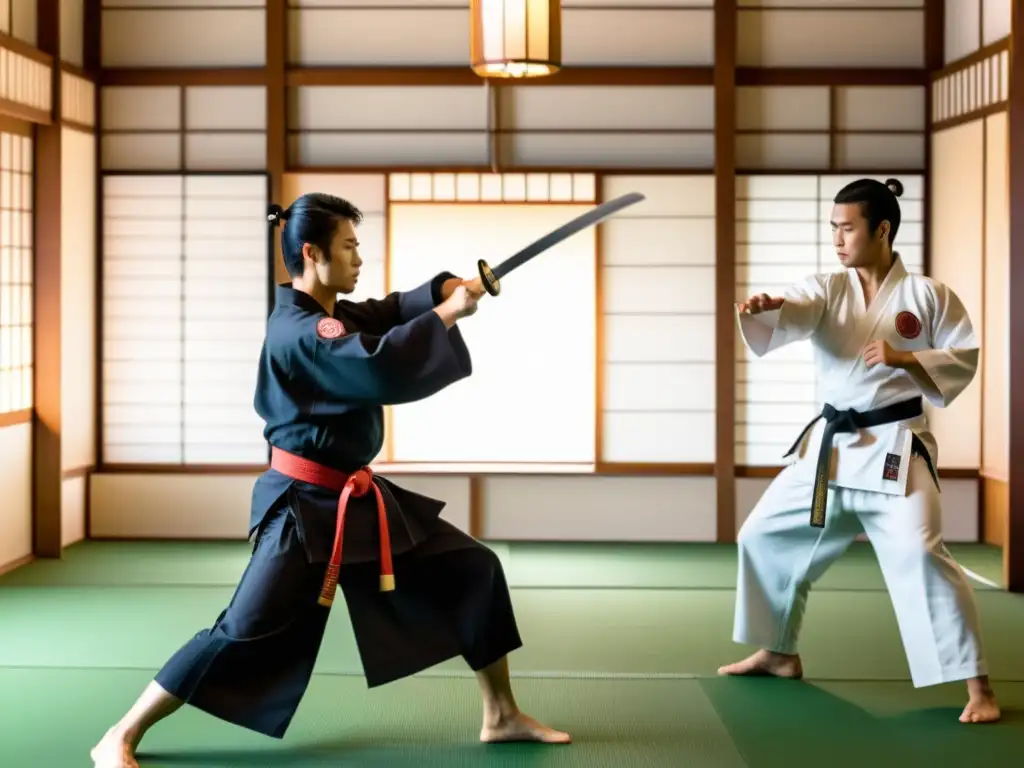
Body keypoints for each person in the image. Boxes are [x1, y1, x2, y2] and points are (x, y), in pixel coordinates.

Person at [91, 193, 570, 768]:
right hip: (302, 509)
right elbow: (377, 363)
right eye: (349, 246)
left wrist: (441, 291)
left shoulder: (332, 315)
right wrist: (445, 317)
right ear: (313, 254)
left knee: (473, 567)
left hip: (357, 499)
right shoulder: (299, 330)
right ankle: (120, 733)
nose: (359, 258)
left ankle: (501, 714)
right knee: (242, 628)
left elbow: (390, 313)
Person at [719, 177, 1000, 724]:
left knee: (922, 554)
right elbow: (798, 308)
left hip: (896, 451)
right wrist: (770, 307)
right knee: (760, 534)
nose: (838, 239)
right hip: (830, 451)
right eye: (833, 228)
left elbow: (963, 356)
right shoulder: (828, 287)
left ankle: (979, 687)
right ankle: (778, 651)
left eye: (848, 228)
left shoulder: (928, 296)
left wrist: (904, 359)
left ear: (883, 230)